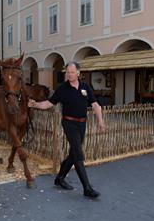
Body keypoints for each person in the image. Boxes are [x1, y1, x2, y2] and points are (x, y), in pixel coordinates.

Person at [28, 61, 105, 198]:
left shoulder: (85, 87)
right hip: (69, 123)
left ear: (78, 73)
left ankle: (59, 178)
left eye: (72, 72)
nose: (69, 74)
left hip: (82, 124)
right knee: (78, 153)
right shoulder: (62, 88)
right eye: (67, 72)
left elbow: (95, 104)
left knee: (73, 154)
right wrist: (35, 105)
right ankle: (87, 188)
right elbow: (49, 103)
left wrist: (100, 120)